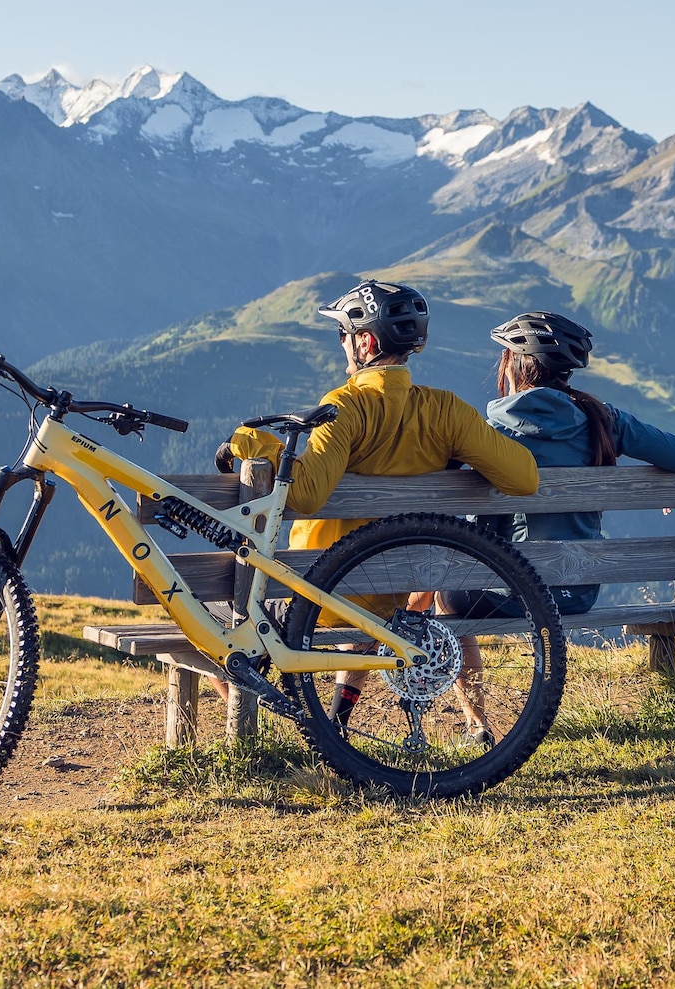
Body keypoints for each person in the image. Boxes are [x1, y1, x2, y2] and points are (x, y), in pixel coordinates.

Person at [216, 278, 538, 731]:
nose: (343, 344)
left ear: (365, 341)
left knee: (205, 614)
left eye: (344, 335)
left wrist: (254, 443)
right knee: (365, 611)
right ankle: (335, 724)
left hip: (323, 596)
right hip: (400, 594)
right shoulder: (447, 412)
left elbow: (306, 494)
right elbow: (524, 478)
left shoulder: (346, 406)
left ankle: (247, 733)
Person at [452, 310, 675, 616]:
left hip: (517, 593)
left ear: (515, 366)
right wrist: (663, 486)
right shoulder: (604, 421)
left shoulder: (490, 434)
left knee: (441, 594)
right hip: (579, 593)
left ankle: (460, 666)